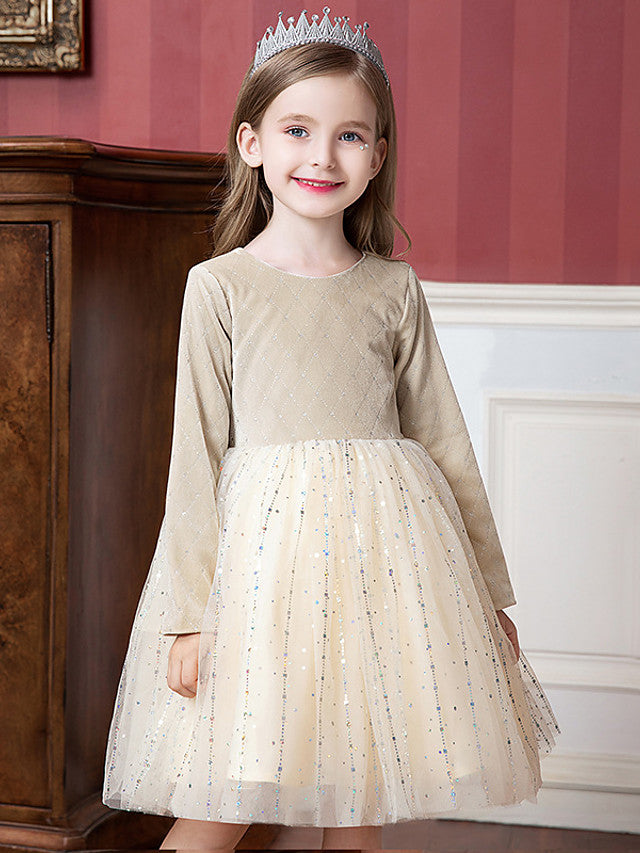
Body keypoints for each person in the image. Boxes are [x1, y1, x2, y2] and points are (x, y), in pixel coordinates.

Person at [102, 7, 560, 851]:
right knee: (230, 785)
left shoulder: (392, 288)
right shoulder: (220, 287)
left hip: (385, 567)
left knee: (362, 784)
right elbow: (194, 460)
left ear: (377, 155)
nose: (322, 156)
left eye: (349, 136)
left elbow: (447, 445)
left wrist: (487, 594)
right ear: (251, 143)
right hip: (261, 576)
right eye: (298, 130)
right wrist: (189, 616)